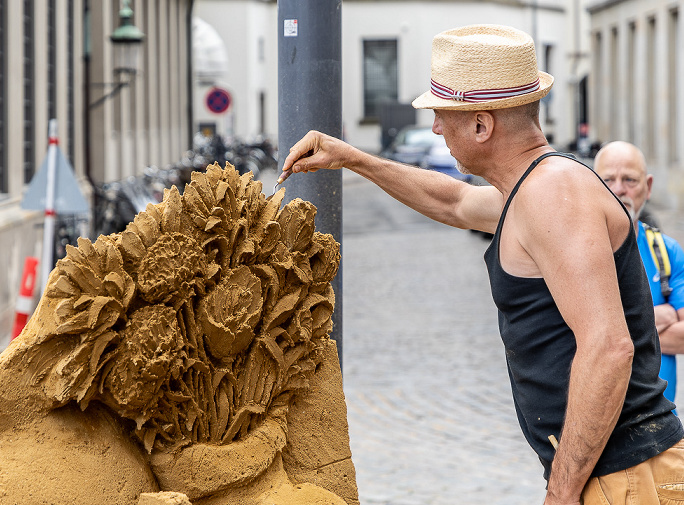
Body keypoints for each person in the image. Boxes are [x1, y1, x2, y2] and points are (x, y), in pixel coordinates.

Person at [279, 24, 684, 505]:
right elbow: (453, 202)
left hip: (628, 477)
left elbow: (609, 347)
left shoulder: (553, 194)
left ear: (480, 124)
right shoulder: (531, 192)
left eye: (442, 115)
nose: (434, 128)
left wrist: (562, 489)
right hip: (617, 477)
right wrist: (352, 159)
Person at [594, 141, 684, 406]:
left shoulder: (667, 252)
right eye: (608, 179)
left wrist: (616, 328)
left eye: (630, 180)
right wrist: (660, 315)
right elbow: (572, 340)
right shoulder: (576, 252)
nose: (619, 189)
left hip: (660, 423)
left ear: (649, 186)